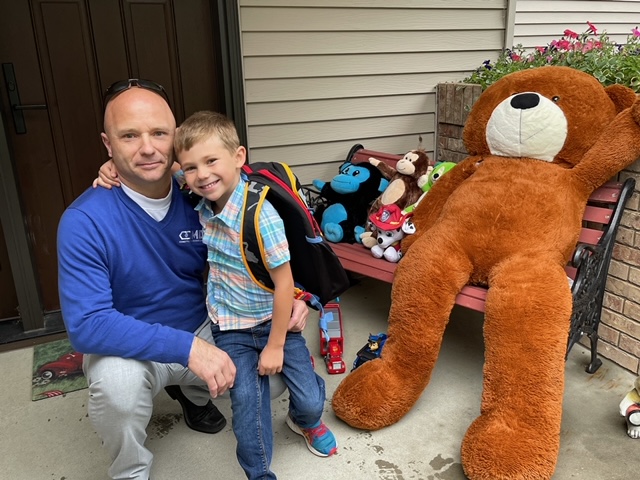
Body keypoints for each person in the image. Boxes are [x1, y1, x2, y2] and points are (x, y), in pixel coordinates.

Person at [57, 79, 309, 480]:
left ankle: (192, 394)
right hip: (131, 345)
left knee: (271, 379)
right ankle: (130, 471)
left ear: (175, 139)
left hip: (204, 325)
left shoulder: (200, 194)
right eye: (129, 136)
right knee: (117, 391)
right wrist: (188, 348)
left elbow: (256, 250)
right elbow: (87, 326)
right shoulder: (84, 220)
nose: (147, 147)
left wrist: (295, 294)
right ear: (108, 144)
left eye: (159, 133)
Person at [172, 110, 337, 480]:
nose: (202, 175)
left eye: (211, 161)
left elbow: (283, 284)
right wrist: (111, 168)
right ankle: (258, 473)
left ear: (239, 157)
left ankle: (304, 420)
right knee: (247, 404)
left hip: (273, 322)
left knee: (310, 400)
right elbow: (168, 173)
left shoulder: (260, 216)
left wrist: (276, 344)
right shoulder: (199, 199)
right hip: (230, 328)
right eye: (191, 168)